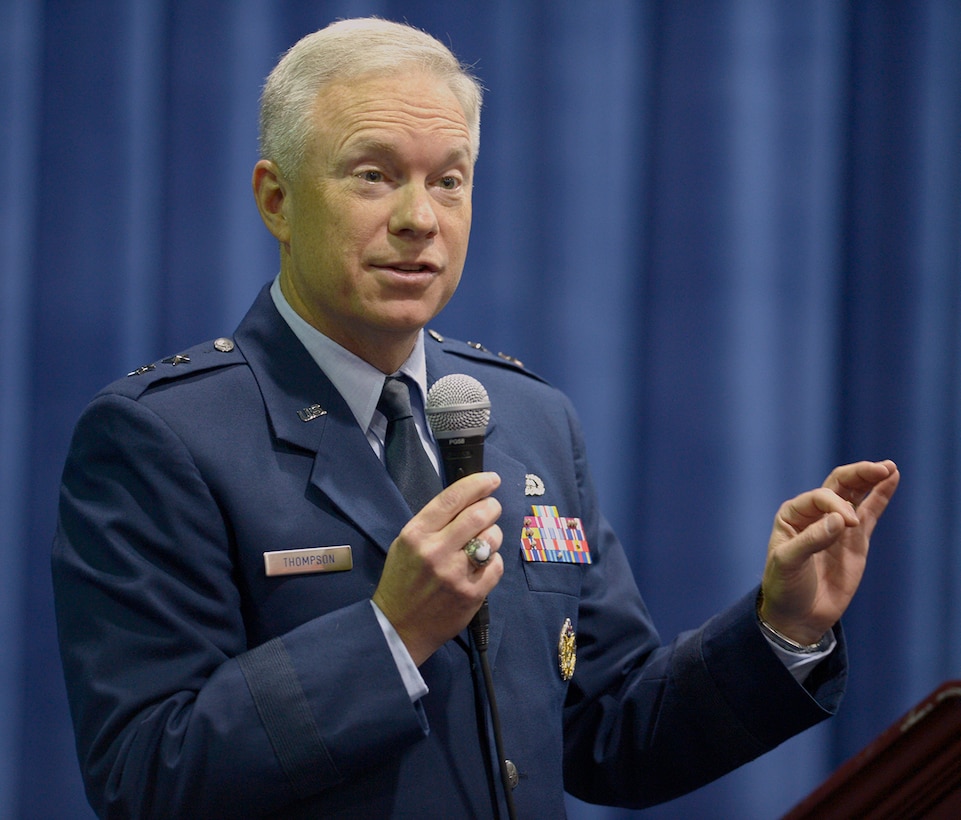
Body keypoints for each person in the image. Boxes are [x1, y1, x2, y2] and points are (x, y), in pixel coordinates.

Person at [52, 17, 900, 819]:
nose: (419, 218)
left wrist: (782, 627)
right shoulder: (164, 438)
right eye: (373, 175)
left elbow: (607, 730)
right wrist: (390, 637)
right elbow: (144, 775)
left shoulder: (527, 418)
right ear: (276, 199)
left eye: (447, 179)